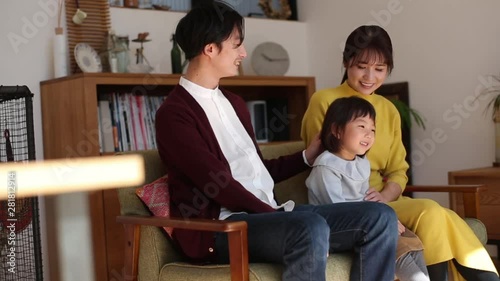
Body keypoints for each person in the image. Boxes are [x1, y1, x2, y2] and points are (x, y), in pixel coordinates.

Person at [155, 3, 399, 281]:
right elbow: (219, 183)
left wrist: (307, 156)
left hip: (267, 215)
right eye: (237, 45)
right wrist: (274, 213)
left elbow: (257, 170)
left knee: (380, 217)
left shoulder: (234, 103)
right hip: (221, 228)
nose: (243, 53)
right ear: (210, 49)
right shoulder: (174, 115)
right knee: (309, 226)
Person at [301, 25, 500, 281]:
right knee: (431, 212)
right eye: (362, 66)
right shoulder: (325, 100)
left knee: (436, 214)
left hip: (385, 200)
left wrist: (384, 197)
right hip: (347, 204)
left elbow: (398, 171)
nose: (369, 76)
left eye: (380, 69)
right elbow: (320, 160)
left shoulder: (389, 109)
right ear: (346, 62)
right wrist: (370, 209)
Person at [306, 96, 429, 281]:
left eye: (372, 129)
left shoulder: (361, 164)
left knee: (409, 238)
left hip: (362, 223)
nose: (369, 134)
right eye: (362, 127)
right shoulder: (326, 166)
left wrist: (386, 218)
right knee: (391, 240)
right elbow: (336, 209)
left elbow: (364, 199)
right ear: (337, 130)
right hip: (336, 228)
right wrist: (382, 223)